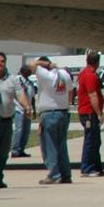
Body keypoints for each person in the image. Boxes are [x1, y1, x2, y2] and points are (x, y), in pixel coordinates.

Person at [0, 51, 29, 189]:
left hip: (6, 121)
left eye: (2, 61)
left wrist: (27, 106)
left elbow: (20, 94)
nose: (0, 63)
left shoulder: (13, 79)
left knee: (3, 152)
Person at [31, 56, 73, 184]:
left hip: (49, 113)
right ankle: (65, 174)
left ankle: (54, 174)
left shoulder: (45, 75)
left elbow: (32, 64)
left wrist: (45, 64)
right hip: (63, 112)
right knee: (61, 145)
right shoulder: (65, 74)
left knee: (49, 146)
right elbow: (70, 92)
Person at [77, 51, 104, 178]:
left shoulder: (85, 73)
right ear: (97, 62)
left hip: (88, 112)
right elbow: (92, 95)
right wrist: (99, 113)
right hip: (89, 112)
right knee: (90, 140)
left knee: (96, 141)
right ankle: (87, 168)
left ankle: (96, 167)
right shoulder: (90, 75)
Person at [10, 64, 36, 157]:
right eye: (27, 70)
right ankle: (15, 150)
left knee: (26, 131)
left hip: (28, 110)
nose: (29, 72)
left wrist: (34, 110)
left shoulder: (30, 83)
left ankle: (21, 149)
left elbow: (32, 97)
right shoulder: (17, 81)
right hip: (19, 109)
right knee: (19, 130)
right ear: (22, 72)